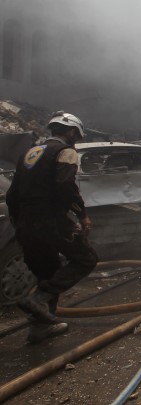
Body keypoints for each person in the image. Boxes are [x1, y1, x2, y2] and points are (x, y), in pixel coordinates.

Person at [6, 111, 98, 344]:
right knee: (86, 259)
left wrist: (18, 224)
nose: (76, 139)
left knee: (48, 271)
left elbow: (11, 194)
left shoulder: (29, 153)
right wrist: (82, 216)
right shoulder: (65, 152)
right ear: (70, 132)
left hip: (25, 222)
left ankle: (39, 329)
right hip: (50, 220)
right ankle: (39, 298)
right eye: (76, 135)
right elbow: (66, 186)